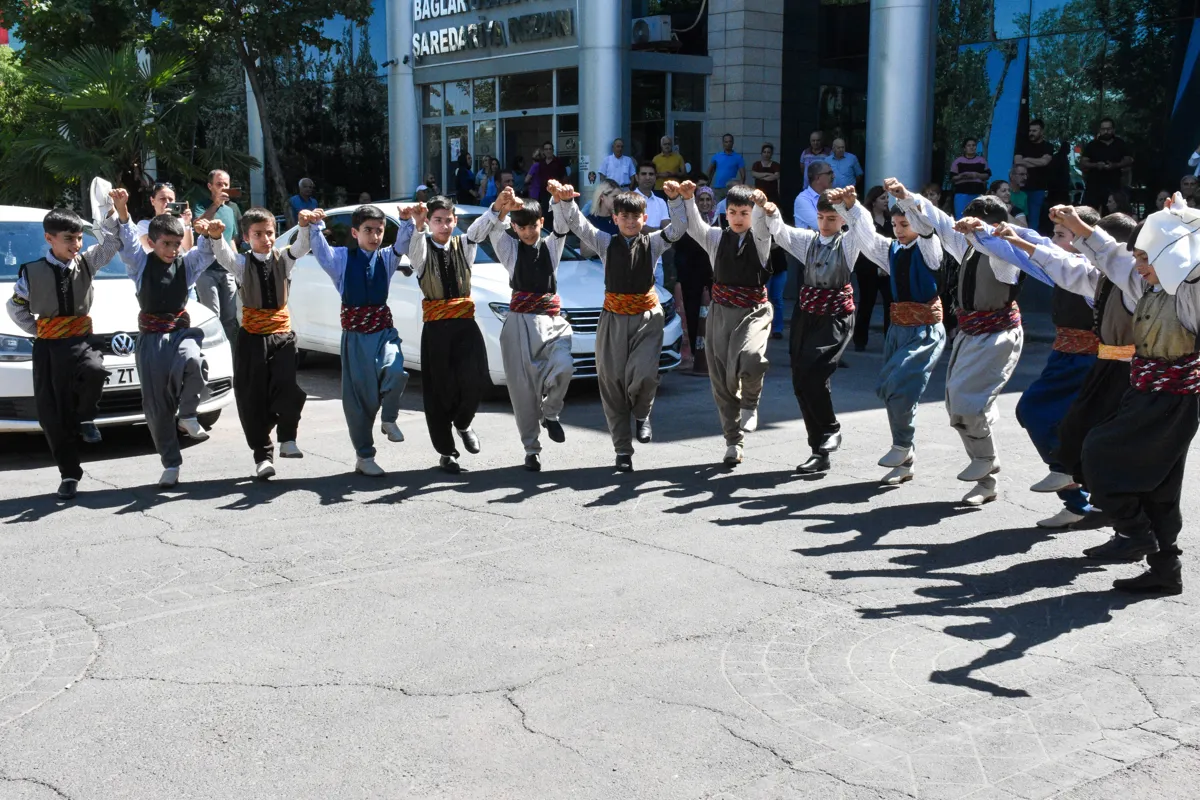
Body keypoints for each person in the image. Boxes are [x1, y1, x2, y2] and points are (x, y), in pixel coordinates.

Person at [1074, 194, 1200, 595]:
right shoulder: (1145, 283)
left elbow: (1192, 262)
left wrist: (1180, 221)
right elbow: (1110, 255)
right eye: (1140, 259)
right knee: (1159, 485)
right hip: (1143, 390)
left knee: (1099, 452)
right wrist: (1171, 217)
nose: (1139, 267)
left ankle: (1135, 532)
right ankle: (1165, 569)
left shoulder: (1189, 291)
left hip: (1173, 398)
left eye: (1147, 258)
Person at [961, 205, 1104, 528]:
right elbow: (1026, 251)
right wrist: (982, 231)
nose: (1053, 241)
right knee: (1041, 415)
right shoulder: (1061, 266)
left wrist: (990, 232)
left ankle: (1088, 491)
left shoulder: (1090, 273)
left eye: (1062, 234)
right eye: (1054, 234)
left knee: (1041, 411)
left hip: (1089, 362)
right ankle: (1076, 496)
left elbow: (1032, 252)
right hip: (1065, 357)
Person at [898, 184, 1025, 506]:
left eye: (974, 223)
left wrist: (984, 230)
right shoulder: (967, 246)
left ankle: (986, 461)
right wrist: (907, 199)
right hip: (970, 333)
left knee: (969, 404)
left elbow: (1001, 248)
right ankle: (986, 480)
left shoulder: (1004, 255)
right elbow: (940, 222)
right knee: (957, 406)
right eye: (967, 222)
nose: (966, 228)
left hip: (997, 333)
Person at [549, 179, 687, 472]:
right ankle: (622, 450)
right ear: (615, 218)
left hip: (647, 317)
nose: (630, 221)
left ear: (644, 218)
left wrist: (675, 200)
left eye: (636, 216)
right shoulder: (605, 242)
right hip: (613, 317)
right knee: (611, 384)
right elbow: (578, 225)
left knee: (644, 375)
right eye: (624, 216)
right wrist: (565, 201)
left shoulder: (654, 243)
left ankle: (642, 413)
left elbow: (678, 229)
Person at [5, 200, 124, 499]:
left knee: (96, 371)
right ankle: (69, 474)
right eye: (69, 238)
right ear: (50, 239)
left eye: (79, 238)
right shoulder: (31, 273)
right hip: (49, 350)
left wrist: (111, 214)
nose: (76, 244)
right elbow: (15, 307)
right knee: (52, 414)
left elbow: (112, 245)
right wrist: (40, 331)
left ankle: (86, 417)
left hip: (83, 341)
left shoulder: (88, 262)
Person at [834, 184, 947, 486]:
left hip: (925, 330)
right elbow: (867, 238)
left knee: (899, 385)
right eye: (895, 224)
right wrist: (850, 206)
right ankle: (905, 455)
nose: (898, 230)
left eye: (904, 224)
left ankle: (902, 446)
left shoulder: (929, 248)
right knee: (893, 392)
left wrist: (908, 202)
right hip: (898, 330)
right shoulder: (892, 249)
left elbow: (926, 232)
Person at [763, 184, 871, 474]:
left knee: (815, 369)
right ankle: (818, 451)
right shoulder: (808, 241)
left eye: (832, 219)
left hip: (834, 313)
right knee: (801, 380)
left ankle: (831, 428)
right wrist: (772, 214)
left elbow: (865, 232)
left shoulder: (848, 244)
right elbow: (782, 234)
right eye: (822, 217)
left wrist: (853, 206)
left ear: (842, 221)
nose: (826, 224)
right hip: (806, 313)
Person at [116, 198, 221, 488]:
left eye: (177, 244)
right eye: (167, 244)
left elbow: (204, 253)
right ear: (152, 242)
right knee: (157, 405)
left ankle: (188, 414)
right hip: (151, 339)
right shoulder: (140, 264)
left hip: (180, 332)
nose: (173, 250)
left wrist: (211, 233)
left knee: (194, 361)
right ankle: (171, 463)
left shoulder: (185, 265)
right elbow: (127, 242)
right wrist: (124, 211)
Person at [468, 187, 573, 471]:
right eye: (522, 227)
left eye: (533, 225)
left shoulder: (552, 246)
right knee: (522, 391)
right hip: (519, 322)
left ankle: (550, 414)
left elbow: (562, 225)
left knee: (563, 367)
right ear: (514, 227)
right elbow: (479, 234)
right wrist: (498, 207)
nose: (528, 232)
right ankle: (531, 449)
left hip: (552, 320)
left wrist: (559, 199)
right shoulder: (510, 250)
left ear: (541, 222)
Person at [309, 204, 415, 477]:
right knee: (359, 400)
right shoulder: (343, 259)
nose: (375, 236)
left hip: (383, 331)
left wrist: (405, 221)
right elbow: (321, 253)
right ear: (355, 232)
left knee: (396, 371)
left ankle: (389, 419)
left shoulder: (386, 259)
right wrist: (316, 226)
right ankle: (364, 456)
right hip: (356, 337)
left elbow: (402, 243)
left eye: (379, 231)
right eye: (368, 230)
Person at [211, 207, 313, 480]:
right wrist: (217, 236)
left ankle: (288, 439)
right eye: (258, 234)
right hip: (252, 339)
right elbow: (223, 256)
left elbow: (302, 246)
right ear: (246, 237)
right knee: (252, 397)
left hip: (281, 336)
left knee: (288, 387)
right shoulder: (242, 264)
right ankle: (262, 457)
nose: (265, 239)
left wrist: (303, 225)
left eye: (269, 233)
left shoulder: (284, 259)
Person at [679, 182, 773, 466]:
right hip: (721, 311)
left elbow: (765, 224)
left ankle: (751, 403)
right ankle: (733, 441)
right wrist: (685, 200)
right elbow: (694, 225)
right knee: (721, 381)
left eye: (745, 212)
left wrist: (764, 208)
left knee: (753, 358)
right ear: (725, 212)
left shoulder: (761, 237)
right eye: (733, 212)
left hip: (753, 309)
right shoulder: (716, 238)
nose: (738, 218)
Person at [407, 196, 489, 474]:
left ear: (455, 220)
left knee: (475, 380)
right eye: (437, 220)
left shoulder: (465, 245)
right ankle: (446, 452)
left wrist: (499, 206)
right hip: (437, 330)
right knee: (439, 391)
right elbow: (415, 245)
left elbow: (481, 227)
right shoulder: (421, 250)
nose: (444, 226)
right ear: (430, 222)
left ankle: (463, 423)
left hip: (465, 324)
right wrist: (417, 226)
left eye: (448, 220)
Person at [194, 169, 241, 347]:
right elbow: (198, 226)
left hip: (227, 271)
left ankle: (229, 356)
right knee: (212, 316)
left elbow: (232, 241)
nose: (223, 188)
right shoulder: (202, 204)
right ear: (210, 186)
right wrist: (214, 204)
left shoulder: (232, 209)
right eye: (219, 184)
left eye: (226, 185)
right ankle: (209, 353)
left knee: (229, 318)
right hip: (207, 271)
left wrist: (237, 268)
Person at [674, 186, 717, 354]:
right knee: (692, 313)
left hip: (714, 277)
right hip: (691, 276)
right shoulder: (688, 222)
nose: (705, 203)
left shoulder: (718, 221)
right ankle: (693, 350)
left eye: (708, 200)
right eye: (701, 200)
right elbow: (681, 250)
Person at [852, 186, 895, 352]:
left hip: (887, 268)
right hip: (868, 268)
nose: (886, 201)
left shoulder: (890, 219)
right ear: (874, 200)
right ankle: (860, 340)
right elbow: (864, 245)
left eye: (887, 198)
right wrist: (877, 265)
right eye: (883, 198)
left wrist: (886, 265)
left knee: (890, 304)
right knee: (866, 303)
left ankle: (889, 340)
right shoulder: (866, 220)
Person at [1079, 119, 1133, 211]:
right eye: (1103, 129)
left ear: (1113, 130)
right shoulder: (1092, 145)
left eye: (1108, 129)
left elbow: (1129, 160)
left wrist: (1115, 165)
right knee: (1090, 212)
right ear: (1100, 130)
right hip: (1094, 186)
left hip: (1114, 185)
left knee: (1112, 213)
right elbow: (1083, 162)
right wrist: (1096, 165)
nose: (1106, 131)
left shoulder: (1120, 143)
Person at [634, 162, 672, 287]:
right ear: (636, 177)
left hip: (657, 260)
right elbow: (638, 228)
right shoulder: (629, 199)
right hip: (635, 259)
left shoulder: (661, 202)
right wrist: (660, 231)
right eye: (644, 174)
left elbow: (668, 229)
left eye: (651, 174)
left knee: (659, 301)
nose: (648, 177)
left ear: (655, 177)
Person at [1013, 119, 1054, 231]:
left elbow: (1044, 162)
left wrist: (1026, 160)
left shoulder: (1048, 146)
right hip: (1020, 188)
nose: (1031, 133)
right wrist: (1037, 161)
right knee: (1017, 216)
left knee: (1033, 219)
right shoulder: (1022, 145)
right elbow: (1017, 162)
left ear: (1041, 131)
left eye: (1034, 131)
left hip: (1038, 188)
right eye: (1030, 130)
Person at [138, 182, 193, 253]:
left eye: (170, 199)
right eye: (162, 199)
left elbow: (188, 247)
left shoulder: (182, 222)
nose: (167, 203)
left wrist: (187, 223)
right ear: (152, 201)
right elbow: (151, 246)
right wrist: (163, 220)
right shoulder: (144, 225)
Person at [950, 138, 991, 217]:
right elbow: (952, 178)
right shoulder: (958, 161)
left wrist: (976, 175)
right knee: (961, 216)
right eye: (969, 145)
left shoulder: (981, 160)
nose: (972, 147)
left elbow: (987, 175)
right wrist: (961, 176)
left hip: (977, 192)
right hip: (961, 193)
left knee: (978, 217)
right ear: (964, 148)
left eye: (973, 145)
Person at [794, 160, 835, 231]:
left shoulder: (833, 196)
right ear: (817, 178)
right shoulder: (802, 199)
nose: (833, 176)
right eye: (829, 173)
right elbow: (822, 226)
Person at [707, 134, 745, 198]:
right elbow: (709, 172)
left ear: (733, 143)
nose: (728, 144)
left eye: (730, 141)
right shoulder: (717, 156)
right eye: (726, 142)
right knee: (718, 207)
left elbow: (743, 176)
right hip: (718, 189)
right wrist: (707, 186)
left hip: (731, 189)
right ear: (723, 143)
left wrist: (739, 189)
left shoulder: (738, 158)